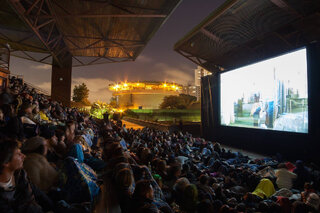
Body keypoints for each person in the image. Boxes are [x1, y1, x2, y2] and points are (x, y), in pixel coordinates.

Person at [0, 139, 53, 212]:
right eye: (18, 154)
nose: (24, 156)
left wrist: (52, 208)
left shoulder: (20, 175)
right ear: (6, 162)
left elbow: (37, 192)